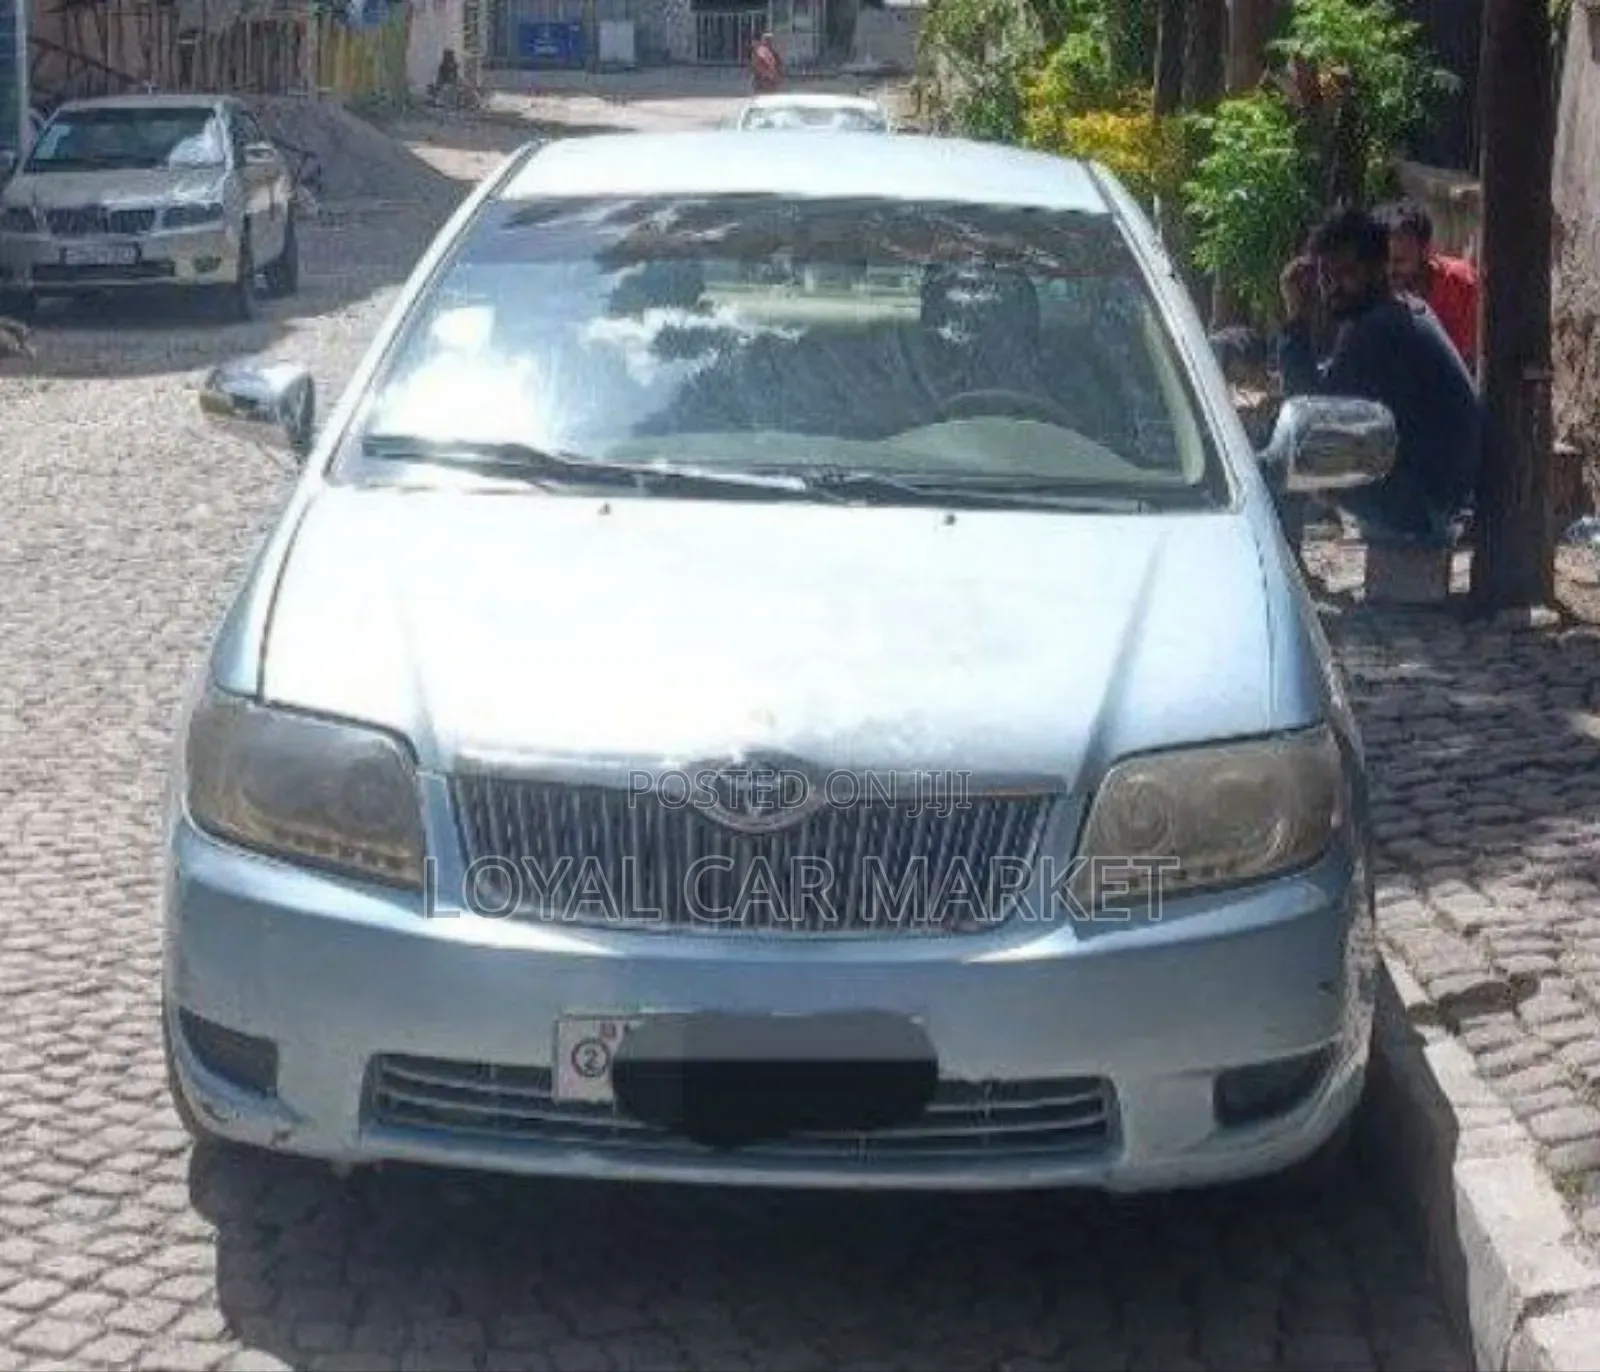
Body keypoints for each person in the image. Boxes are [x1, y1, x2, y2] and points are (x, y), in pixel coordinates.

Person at [1278, 206, 1481, 547]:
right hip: (1440, 495)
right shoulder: (1400, 310)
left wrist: (1296, 319)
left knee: (1274, 458)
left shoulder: (1378, 328)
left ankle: (1280, 565)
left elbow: (1307, 416)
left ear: (1378, 269)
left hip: (1428, 509)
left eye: (1346, 273)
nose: (1332, 288)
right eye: (1326, 276)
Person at [1382, 199, 1480, 370]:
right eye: (1384, 262)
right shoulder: (1376, 293)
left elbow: (1471, 361)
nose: (1390, 271)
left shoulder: (1462, 285)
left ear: (1425, 251)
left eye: (1399, 261)